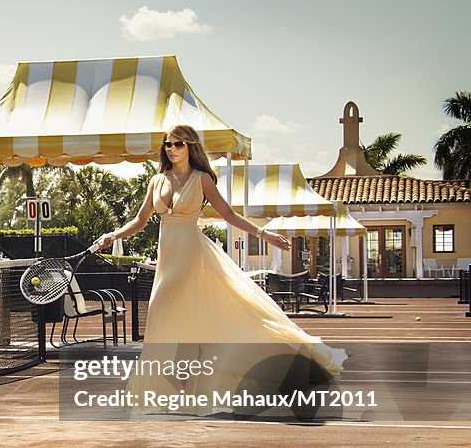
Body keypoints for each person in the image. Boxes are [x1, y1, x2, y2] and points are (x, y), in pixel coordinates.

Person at [96, 124, 346, 414]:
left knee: (191, 314)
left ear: (190, 147)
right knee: (163, 319)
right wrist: (113, 235)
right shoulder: (157, 181)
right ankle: (162, 391)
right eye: (168, 144)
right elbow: (140, 221)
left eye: (178, 144)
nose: (172, 149)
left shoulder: (202, 179)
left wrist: (264, 235)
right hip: (168, 260)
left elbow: (228, 214)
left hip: (192, 257)